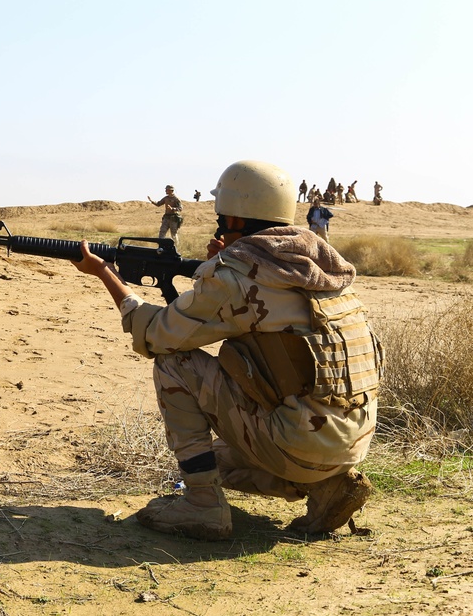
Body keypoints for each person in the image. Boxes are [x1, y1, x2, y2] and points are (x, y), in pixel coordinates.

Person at [71, 160, 380, 541]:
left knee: (175, 362)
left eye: (223, 218)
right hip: (349, 442)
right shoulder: (323, 269)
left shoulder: (237, 276)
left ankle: (202, 506)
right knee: (217, 460)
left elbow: (156, 335)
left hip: (298, 443)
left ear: (235, 220)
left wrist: (105, 273)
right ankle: (328, 486)